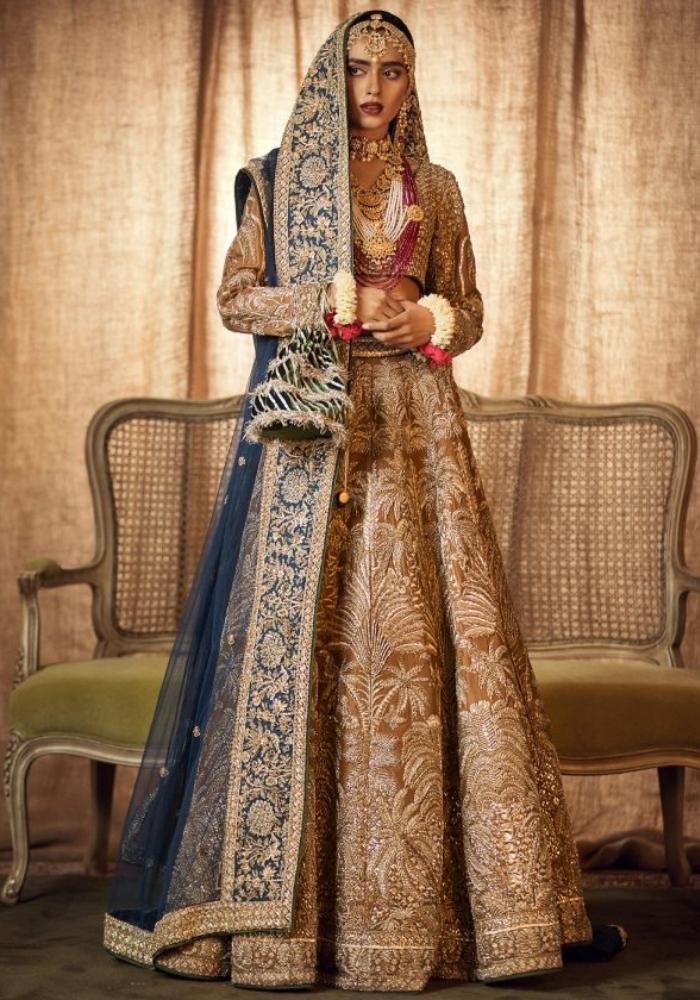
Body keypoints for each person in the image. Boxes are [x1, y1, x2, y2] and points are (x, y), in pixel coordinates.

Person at [103, 9, 623, 991]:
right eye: (357, 70)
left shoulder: (438, 188)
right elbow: (237, 299)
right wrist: (333, 301)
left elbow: (469, 310)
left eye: (392, 70)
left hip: (420, 442)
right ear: (328, 79)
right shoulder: (279, 181)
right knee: (314, 650)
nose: (374, 87)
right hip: (314, 442)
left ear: (410, 83)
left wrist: (428, 317)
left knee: (417, 655)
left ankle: (466, 919)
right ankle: (283, 924)